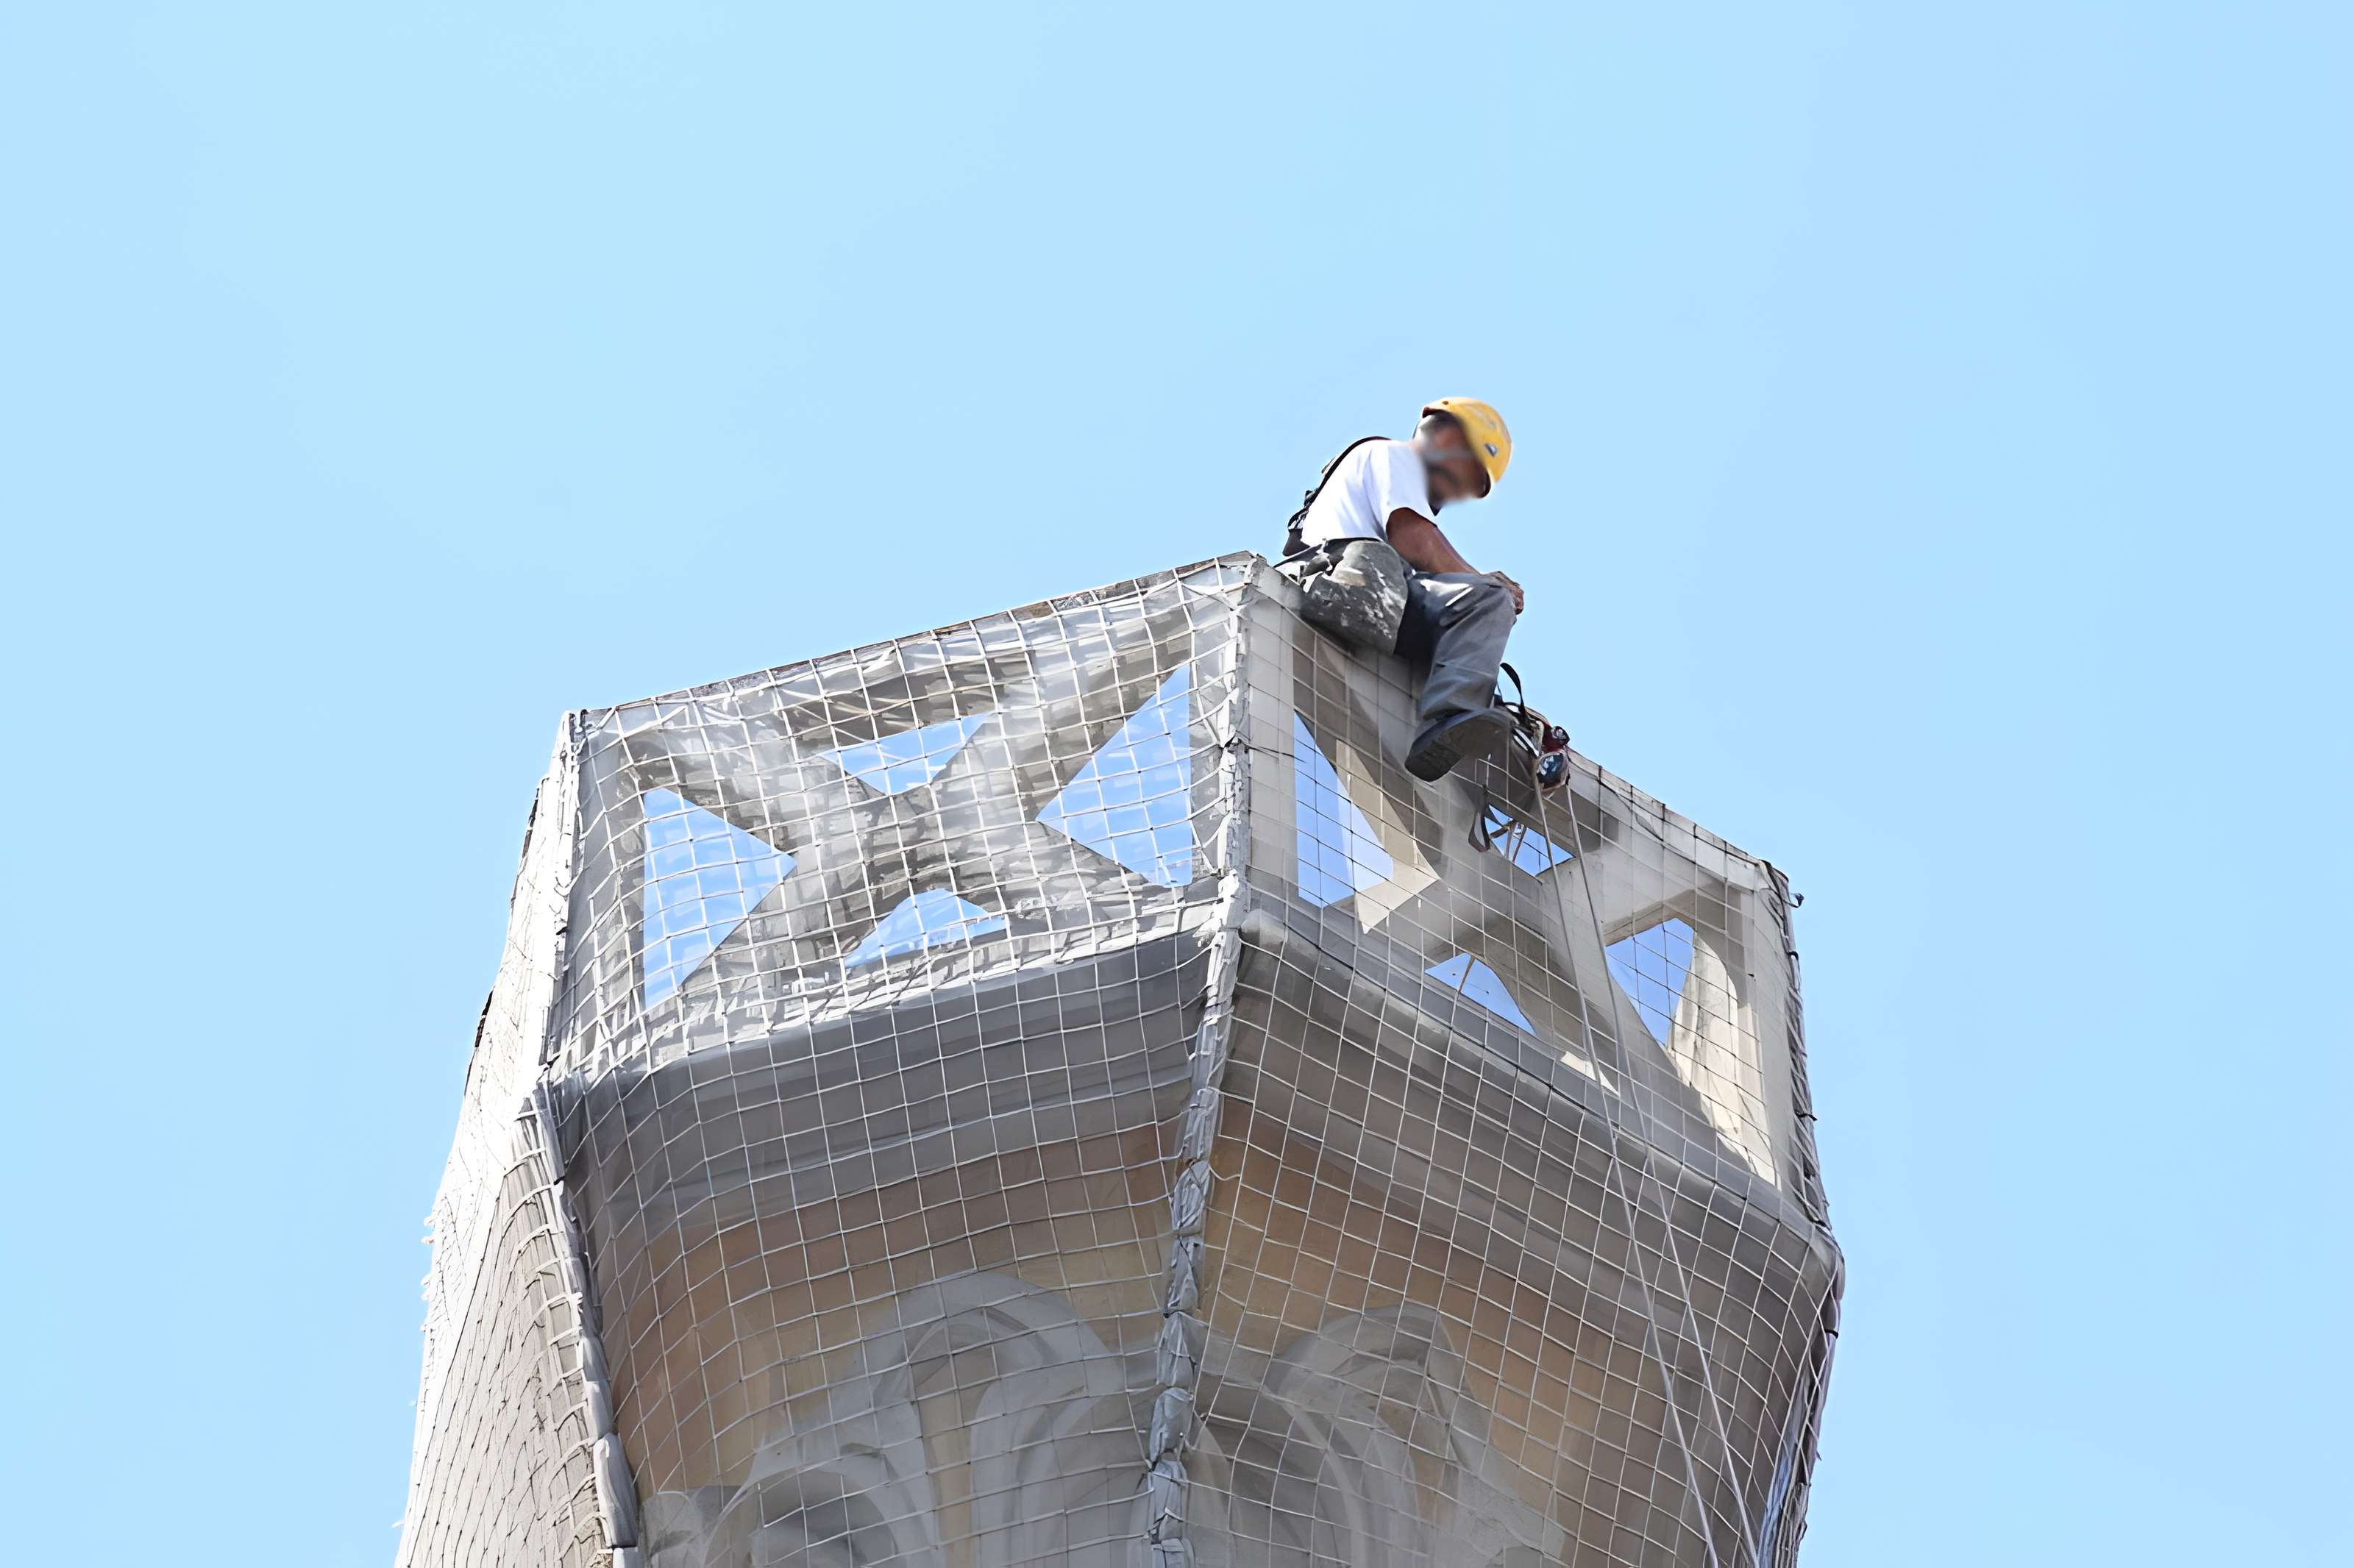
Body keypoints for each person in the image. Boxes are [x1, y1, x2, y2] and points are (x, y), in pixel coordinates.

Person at [1285, 398, 1522, 780]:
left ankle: (1467, 727)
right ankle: (1450, 719)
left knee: (1475, 650)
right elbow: (1414, 539)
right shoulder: (1393, 456)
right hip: (1352, 577)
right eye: (1464, 465)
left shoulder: (1391, 475)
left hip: (1377, 594)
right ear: (1439, 432)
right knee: (1487, 600)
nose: (1456, 486)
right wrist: (1489, 586)